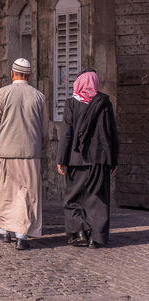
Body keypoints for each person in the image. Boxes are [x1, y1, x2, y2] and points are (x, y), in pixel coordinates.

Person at [0, 58, 48, 250]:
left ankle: (3, 231)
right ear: (29, 75)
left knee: (5, 192)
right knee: (27, 193)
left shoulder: (3, 93)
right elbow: (44, 130)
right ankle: (22, 235)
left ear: (12, 73)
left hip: (6, 152)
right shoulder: (39, 96)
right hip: (30, 154)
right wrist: (40, 147)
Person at [56, 68, 119, 248]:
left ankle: (79, 232)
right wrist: (113, 159)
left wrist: (62, 159)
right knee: (98, 199)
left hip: (77, 159)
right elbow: (112, 133)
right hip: (100, 160)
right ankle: (95, 238)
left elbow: (67, 134)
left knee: (73, 198)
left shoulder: (71, 103)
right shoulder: (105, 103)